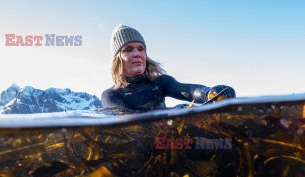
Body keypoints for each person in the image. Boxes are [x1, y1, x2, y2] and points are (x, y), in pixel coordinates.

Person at [101, 25, 236, 112]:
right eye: (128, 50)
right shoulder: (110, 95)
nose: (137, 54)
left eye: (141, 49)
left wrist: (209, 93)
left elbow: (188, 91)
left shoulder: (160, 82)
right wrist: (172, 111)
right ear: (117, 60)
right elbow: (128, 118)